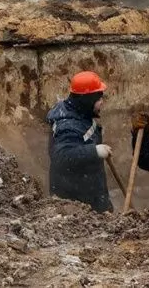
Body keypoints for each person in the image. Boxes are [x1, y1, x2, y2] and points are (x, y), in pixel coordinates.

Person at [46, 71, 113, 213]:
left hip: (91, 196)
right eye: (98, 98)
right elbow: (61, 156)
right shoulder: (68, 125)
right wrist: (94, 151)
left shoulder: (80, 114)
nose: (102, 102)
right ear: (87, 100)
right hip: (77, 207)